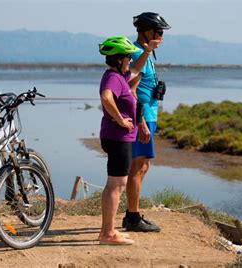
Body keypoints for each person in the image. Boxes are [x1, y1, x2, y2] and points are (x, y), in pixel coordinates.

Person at [98, 36, 159, 245]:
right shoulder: (114, 78)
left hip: (117, 137)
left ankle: (109, 230)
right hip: (118, 137)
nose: (130, 60)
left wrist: (147, 51)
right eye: (128, 57)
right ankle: (107, 233)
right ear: (119, 59)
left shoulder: (121, 75)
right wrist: (121, 120)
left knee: (114, 185)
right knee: (116, 185)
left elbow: (137, 68)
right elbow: (106, 97)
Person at [123, 12, 171, 232]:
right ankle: (132, 218)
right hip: (143, 117)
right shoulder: (138, 53)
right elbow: (131, 90)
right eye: (159, 32)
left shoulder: (148, 53)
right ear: (146, 31)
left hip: (149, 116)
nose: (161, 37)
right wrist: (140, 120)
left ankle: (133, 213)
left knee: (143, 165)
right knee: (138, 166)